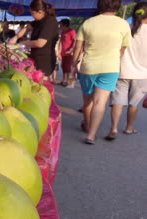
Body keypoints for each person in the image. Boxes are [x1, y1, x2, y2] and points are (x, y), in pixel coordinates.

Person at [72, 0, 131, 144]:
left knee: (88, 101)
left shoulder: (88, 23)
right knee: (100, 102)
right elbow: (123, 49)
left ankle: (87, 125)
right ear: (118, 6)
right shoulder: (123, 24)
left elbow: (77, 47)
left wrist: (74, 65)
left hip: (89, 67)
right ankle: (91, 135)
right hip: (110, 68)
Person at [106, 2, 147, 140]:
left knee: (118, 101)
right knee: (133, 104)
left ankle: (114, 128)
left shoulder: (126, 28)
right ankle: (129, 128)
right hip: (142, 74)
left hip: (122, 70)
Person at [9, 0, 59, 78]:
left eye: (33, 13)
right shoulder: (38, 20)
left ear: (40, 12)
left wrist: (23, 43)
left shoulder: (50, 22)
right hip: (35, 59)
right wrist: (15, 37)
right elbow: (27, 28)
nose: (32, 16)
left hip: (44, 62)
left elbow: (40, 43)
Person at [58, 19, 77, 87]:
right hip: (63, 52)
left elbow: (75, 40)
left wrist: (71, 49)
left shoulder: (71, 31)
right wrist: (59, 50)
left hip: (69, 53)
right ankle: (64, 80)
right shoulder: (63, 32)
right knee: (63, 66)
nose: (59, 26)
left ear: (64, 25)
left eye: (61, 24)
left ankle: (68, 81)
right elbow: (61, 41)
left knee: (68, 67)